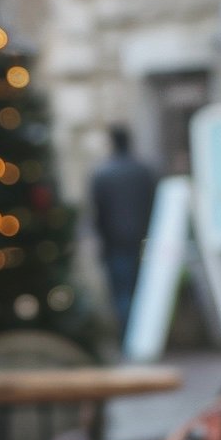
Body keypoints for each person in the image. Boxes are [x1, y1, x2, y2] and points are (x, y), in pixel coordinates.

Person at [89, 125, 158, 336]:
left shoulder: (103, 173)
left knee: (122, 292)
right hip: (143, 238)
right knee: (140, 291)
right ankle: (140, 335)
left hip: (115, 241)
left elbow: (98, 212)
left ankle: (128, 336)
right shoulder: (144, 171)